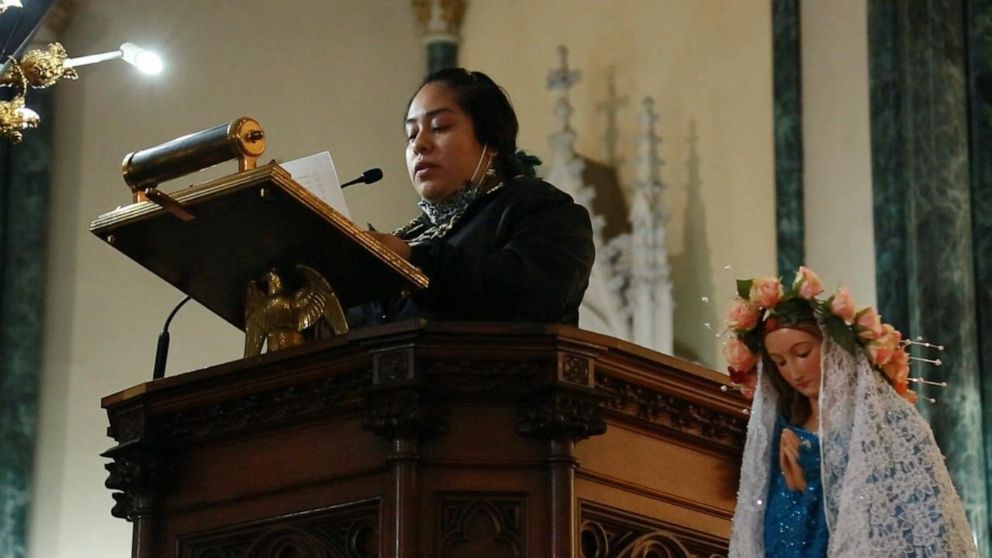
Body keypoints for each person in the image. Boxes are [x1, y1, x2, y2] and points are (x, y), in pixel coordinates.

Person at [724, 266, 977, 557]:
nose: (793, 372)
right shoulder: (781, 433)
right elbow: (773, 525)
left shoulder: (886, 423)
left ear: (833, 349)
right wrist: (795, 484)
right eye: (780, 362)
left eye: (803, 353)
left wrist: (814, 468)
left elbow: (922, 520)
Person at [354, 68, 594, 325]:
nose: (419, 144)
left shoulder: (546, 212)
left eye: (439, 127)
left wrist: (413, 261)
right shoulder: (409, 236)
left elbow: (526, 296)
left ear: (490, 141)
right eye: (411, 134)